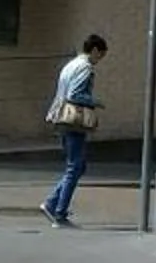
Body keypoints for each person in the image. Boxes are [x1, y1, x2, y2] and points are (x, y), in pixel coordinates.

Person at [40, 33, 106, 228]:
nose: (99, 60)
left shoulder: (71, 64)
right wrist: (95, 102)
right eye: (100, 55)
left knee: (77, 165)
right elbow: (74, 94)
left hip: (60, 117)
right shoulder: (85, 68)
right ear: (94, 50)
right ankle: (57, 211)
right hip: (73, 119)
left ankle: (53, 204)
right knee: (75, 166)